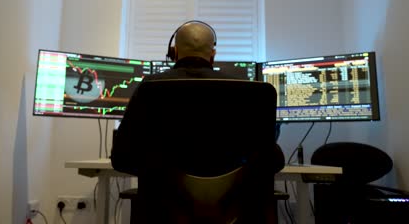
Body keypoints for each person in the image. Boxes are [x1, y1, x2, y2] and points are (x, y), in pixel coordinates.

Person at [110, 21, 285, 223]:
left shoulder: (150, 88)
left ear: (173, 52)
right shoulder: (247, 92)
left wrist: (162, 171)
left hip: (163, 213)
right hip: (231, 212)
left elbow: (121, 158)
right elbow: (273, 160)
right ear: (213, 55)